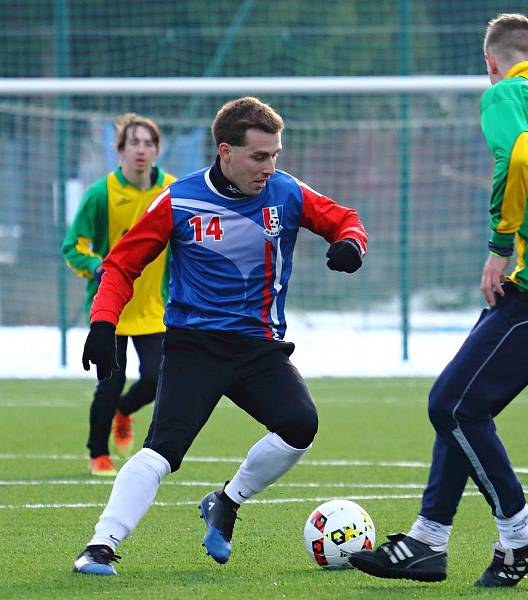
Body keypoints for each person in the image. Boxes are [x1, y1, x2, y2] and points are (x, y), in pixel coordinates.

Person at [349, 13, 528, 588]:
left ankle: (521, 532)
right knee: (462, 405)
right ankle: (428, 540)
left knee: (450, 406)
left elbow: (518, 159)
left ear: (490, 62)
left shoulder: (509, 92)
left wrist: (500, 248)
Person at [72, 96, 368, 576]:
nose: (269, 167)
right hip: (196, 347)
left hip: (260, 349)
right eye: (259, 156)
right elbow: (121, 264)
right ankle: (100, 546)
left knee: (300, 425)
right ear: (225, 152)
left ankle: (226, 502)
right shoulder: (178, 200)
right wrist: (104, 322)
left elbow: (344, 218)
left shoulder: (288, 192)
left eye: (275, 155)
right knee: (162, 450)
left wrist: (352, 243)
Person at [62, 113, 176, 477]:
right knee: (109, 382)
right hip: (111, 308)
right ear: (120, 150)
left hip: (155, 308)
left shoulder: (173, 190)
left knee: (159, 379)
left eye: (148, 143)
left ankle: (124, 412)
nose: (141, 150)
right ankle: (99, 453)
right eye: (133, 143)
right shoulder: (101, 194)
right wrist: (98, 267)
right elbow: (72, 246)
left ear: (157, 150)